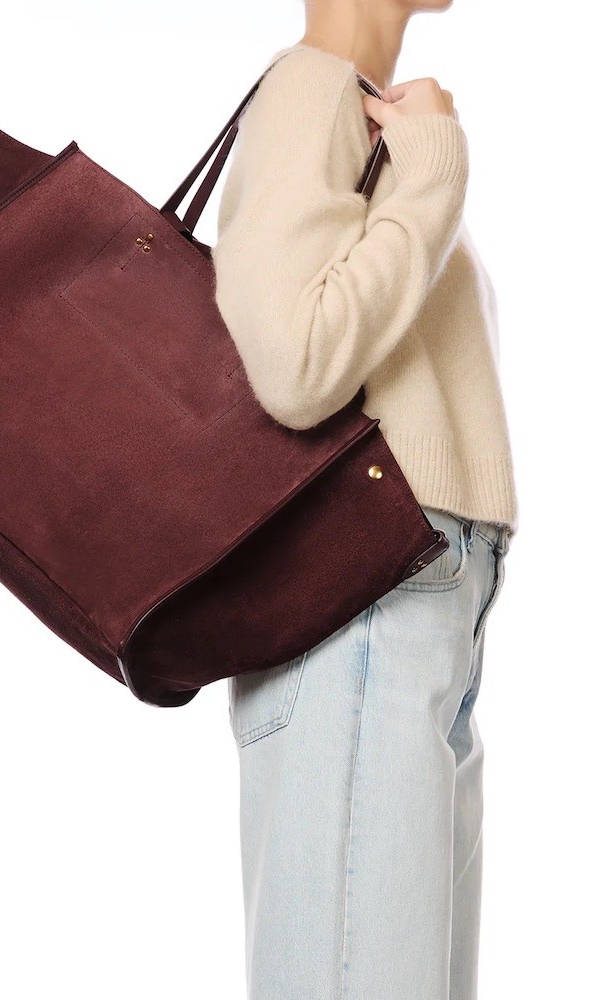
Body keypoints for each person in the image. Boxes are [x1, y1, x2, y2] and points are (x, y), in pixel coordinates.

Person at [210, 1, 519, 997]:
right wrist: (431, 169)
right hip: (363, 605)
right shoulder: (309, 94)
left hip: (412, 610)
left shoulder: (357, 108)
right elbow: (295, 362)